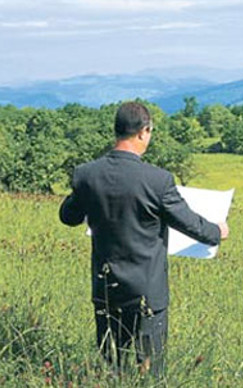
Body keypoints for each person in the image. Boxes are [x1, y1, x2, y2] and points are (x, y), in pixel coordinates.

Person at [59, 101, 229, 378]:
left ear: (116, 131)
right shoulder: (158, 180)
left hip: (106, 288)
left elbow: (68, 216)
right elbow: (188, 221)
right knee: (149, 371)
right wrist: (216, 231)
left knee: (111, 365)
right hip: (147, 292)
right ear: (143, 132)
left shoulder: (86, 175)